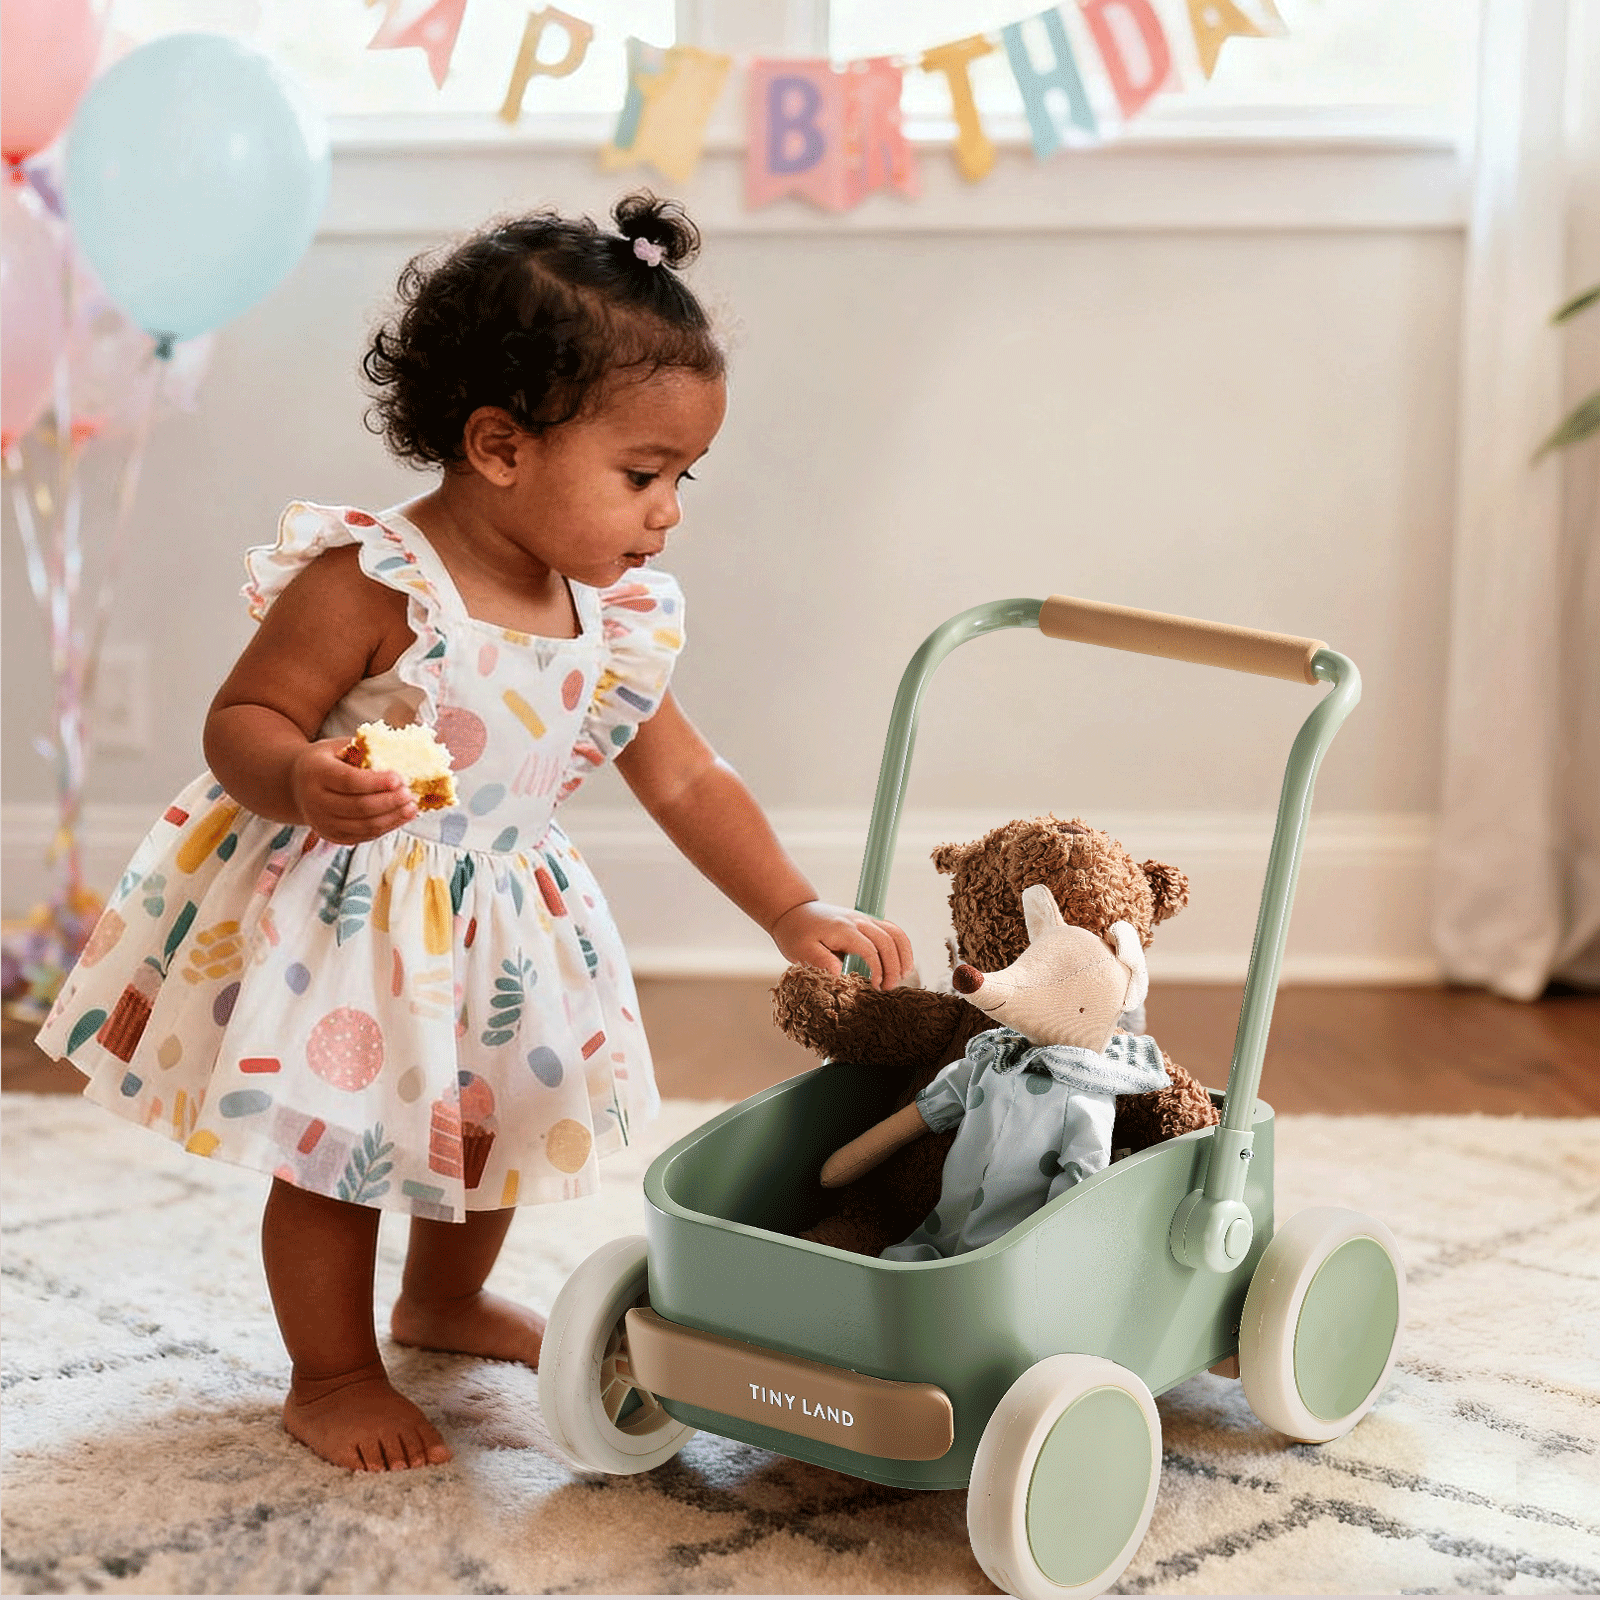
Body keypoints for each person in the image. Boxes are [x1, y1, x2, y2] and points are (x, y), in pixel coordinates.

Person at [36, 193, 912, 1475]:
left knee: (494, 1120)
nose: (668, 513)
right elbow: (243, 718)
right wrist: (304, 775)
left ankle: (440, 1302)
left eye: (682, 479)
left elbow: (686, 780)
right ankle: (330, 1371)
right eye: (642, 475)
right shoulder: (376, 581)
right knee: (337, 1153)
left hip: (503, 918)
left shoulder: (610, 618)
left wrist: (790, 909)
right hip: (356, 917)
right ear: (499, 444)